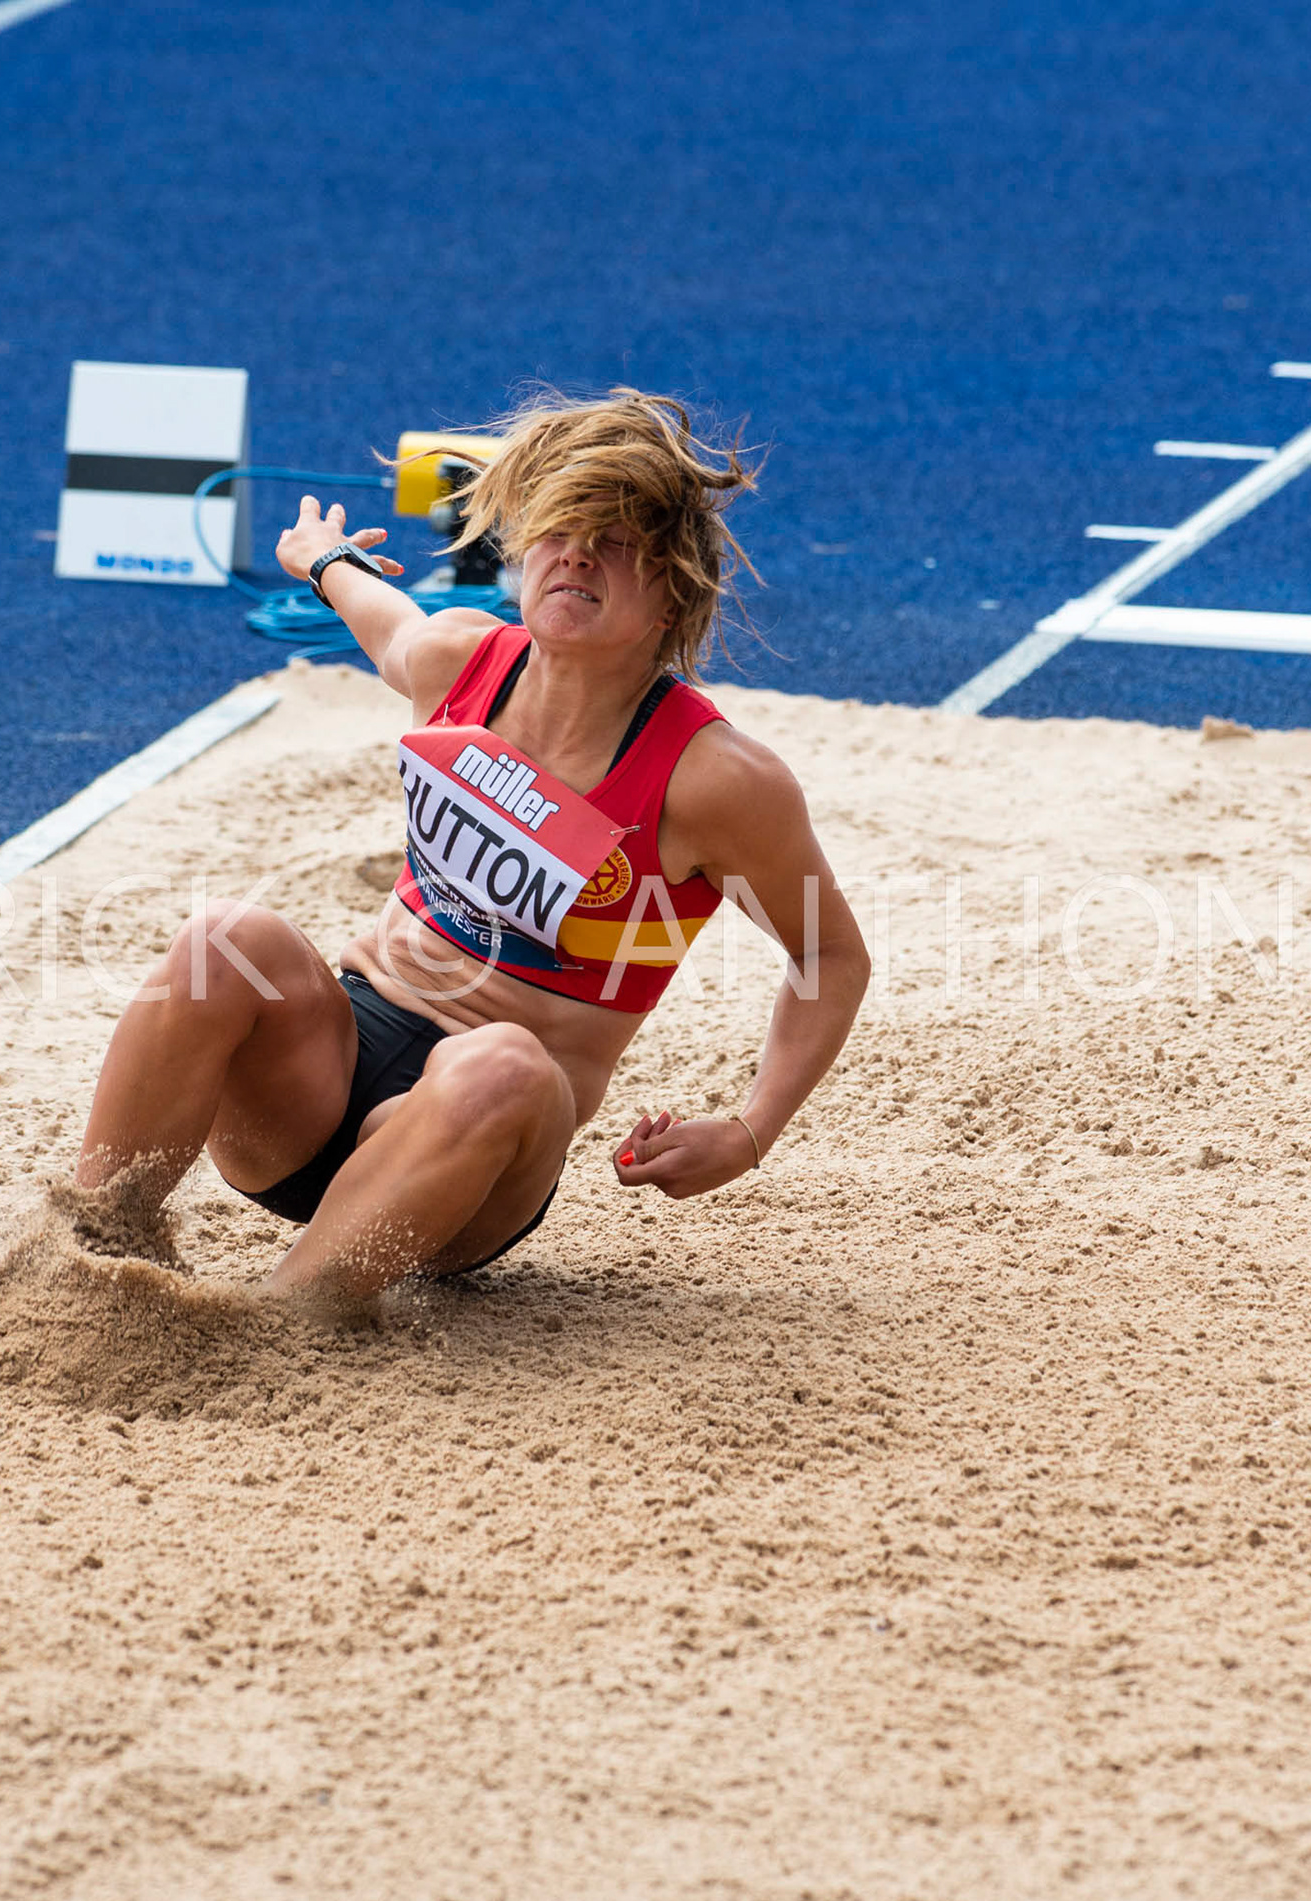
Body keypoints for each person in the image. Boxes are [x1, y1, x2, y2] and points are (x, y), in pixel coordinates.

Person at [73, 389, 870, 1306]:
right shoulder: (458, 658)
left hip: (485, 1147)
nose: (575, 551)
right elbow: (383, 620)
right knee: (226, 938)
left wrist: (752, 1129)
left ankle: (278, 1324)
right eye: (560, 529)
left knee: (501, 1060)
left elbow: (829, 953)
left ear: (672, 592)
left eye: (614, 539)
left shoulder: (715, 781)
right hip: (320, 1086)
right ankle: (84, 1252)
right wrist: (321, 556)